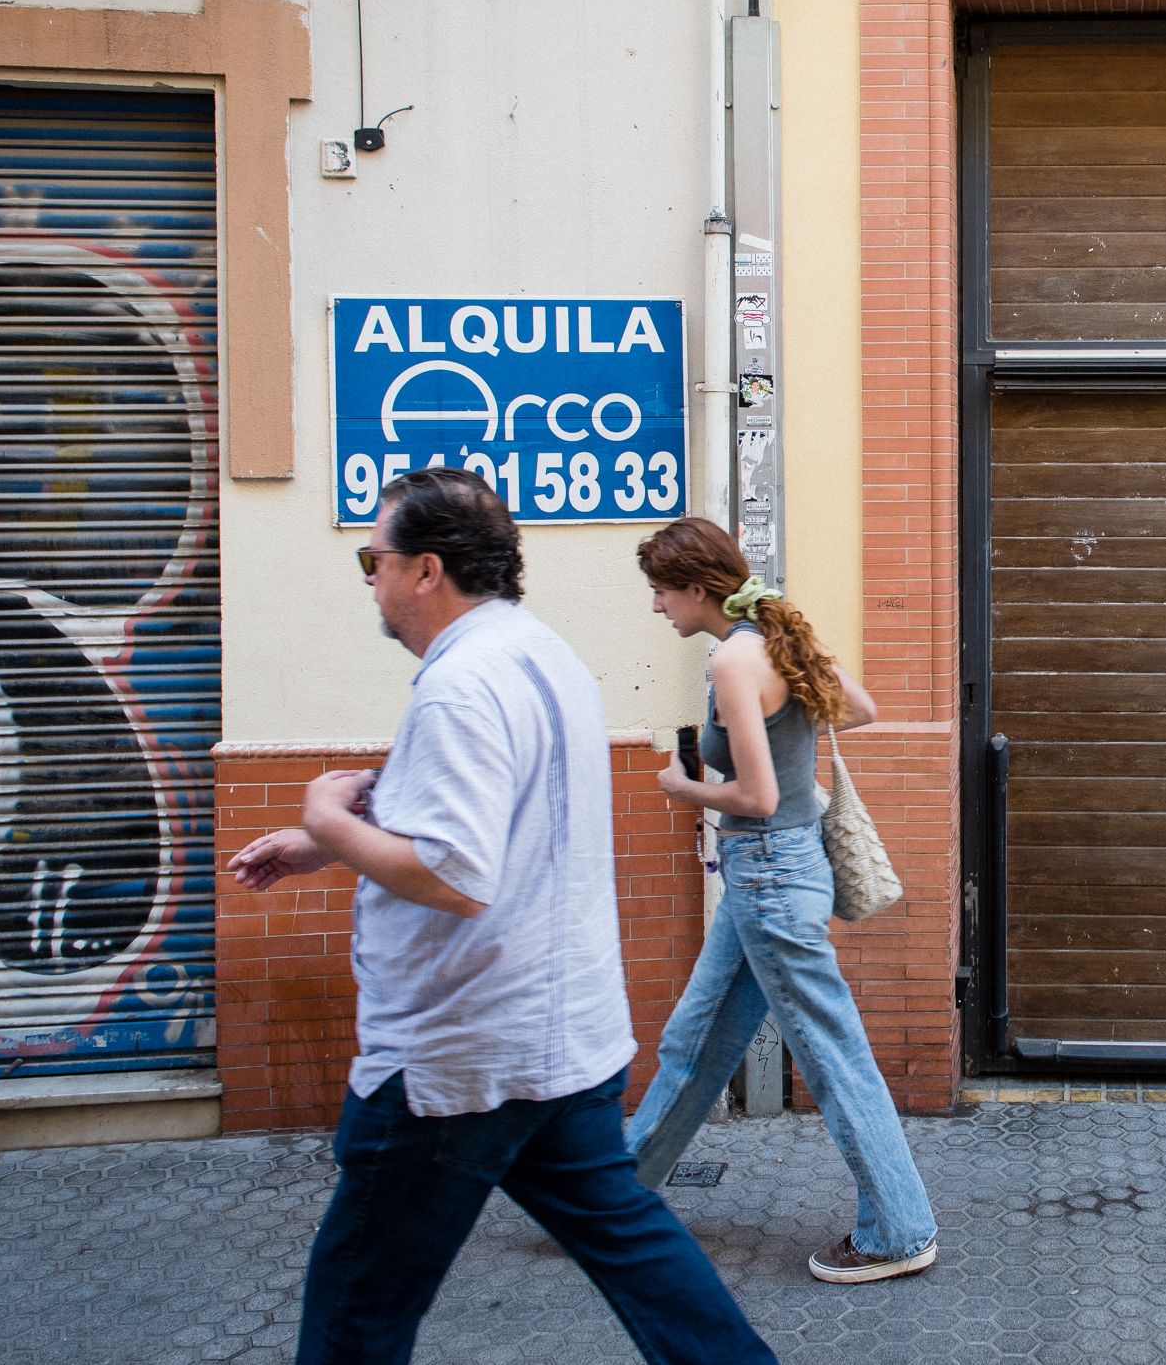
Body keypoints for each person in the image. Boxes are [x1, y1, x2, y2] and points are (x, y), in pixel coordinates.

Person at [229, 469, 777, 1365]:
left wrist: (328, 817)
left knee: (355, 1303)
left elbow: (455, 871)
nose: (368, 575)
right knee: (632, 1244)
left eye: (375, 557)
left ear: (426, 570)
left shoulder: (460, 685)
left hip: (457, 1056)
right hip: (555, 1038)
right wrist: (330, 840)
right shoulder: (536, 653)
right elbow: (494, 814)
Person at [625, 516, 939, 1284]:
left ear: (697, 589)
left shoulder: (735, 658)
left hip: (768, 870)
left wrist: (683, 787)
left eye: (661, 591)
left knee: (834, 1056)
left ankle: (898, 1230)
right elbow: (858, 708)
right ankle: (615, 1200)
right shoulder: (771, 639)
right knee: (692, 1041)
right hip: (767, 873)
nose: (657, 606)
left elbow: (757, 795)